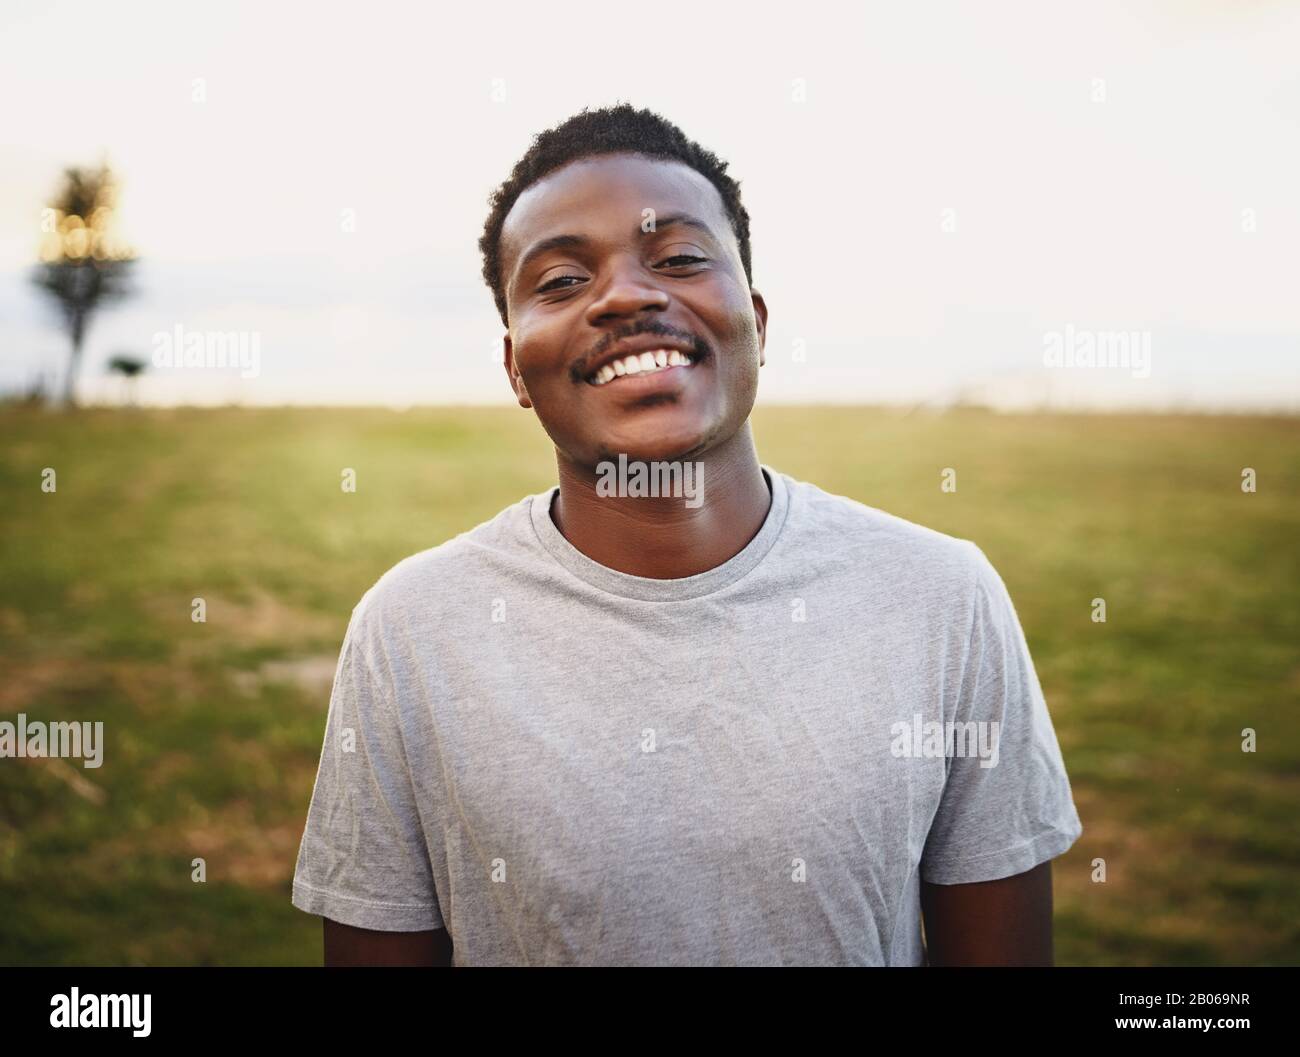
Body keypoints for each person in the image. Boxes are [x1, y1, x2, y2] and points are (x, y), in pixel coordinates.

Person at [291, 103, 1083, 966]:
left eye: (678, 258)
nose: (628, 294)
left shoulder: (942, 598)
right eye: (560, 280)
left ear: (758, 319)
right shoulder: (411, 630)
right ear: (517, 367)